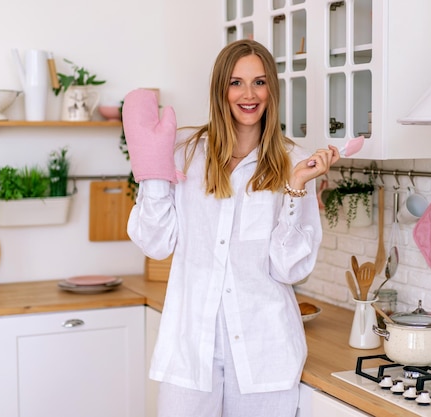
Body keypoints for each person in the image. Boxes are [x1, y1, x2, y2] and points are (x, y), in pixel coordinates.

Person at [123, 39, 339, 417]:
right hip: (191, 351)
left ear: (272, 88)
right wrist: (153, 173)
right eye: (236, 82)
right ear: (220, 88)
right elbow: (156, 244)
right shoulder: (185, 154)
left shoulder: (296, 162)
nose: (248, 94)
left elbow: (288, 269)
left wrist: (294, 187)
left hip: (265, 353)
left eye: (259, 82)